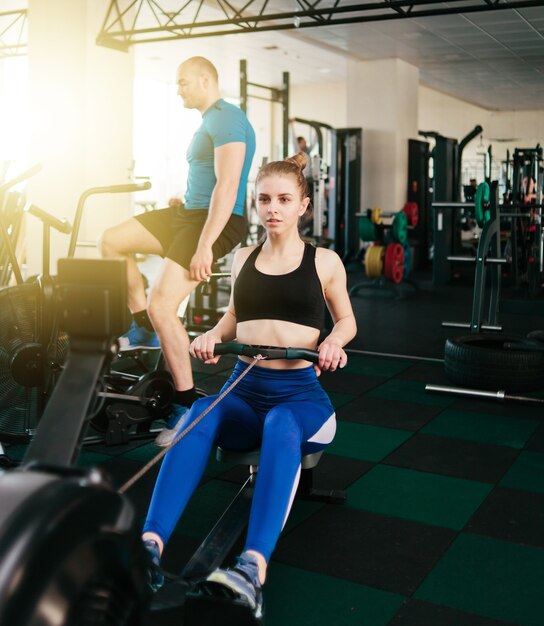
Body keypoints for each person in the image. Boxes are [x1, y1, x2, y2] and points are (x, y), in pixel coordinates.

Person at [141, 152, 357, 617]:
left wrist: (335, 342)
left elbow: (346, 320)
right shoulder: (243, 257)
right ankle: (149, 548)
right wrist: (211, 338)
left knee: (280, 423)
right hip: (243, 388)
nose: (272, 208)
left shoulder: (325, 262)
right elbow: (233, 319)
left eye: (283, 199)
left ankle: (251, 571)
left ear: (303, 205)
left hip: (299, 397)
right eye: (264, 199)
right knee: (199, 411)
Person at [99, 57, 256, 447]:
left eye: (184, 82)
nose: (179, 89)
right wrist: (184, 202)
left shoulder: (227, 118)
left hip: (212, 221)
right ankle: (143, 328)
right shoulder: (208, 121)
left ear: (206, 80)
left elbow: (228, 183)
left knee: (163, 304)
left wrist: (205, 245)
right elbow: (206, 181)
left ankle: (186, 408)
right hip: (188, 213)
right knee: (111, 240)